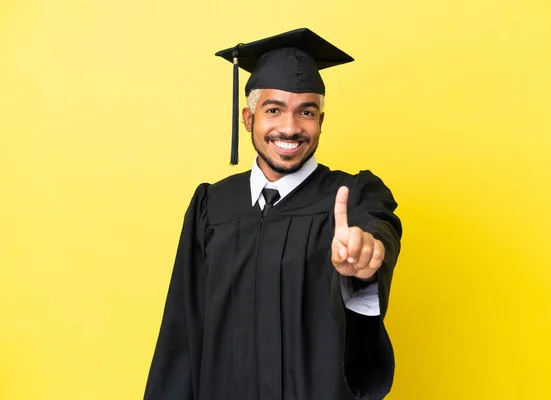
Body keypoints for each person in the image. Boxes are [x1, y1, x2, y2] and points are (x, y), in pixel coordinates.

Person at [143, 28, 402, 400]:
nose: (290, 128)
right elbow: (183, 329)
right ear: (248, 119)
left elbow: (378, 228)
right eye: (274, 110)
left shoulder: (353, 196)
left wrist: (364, 259)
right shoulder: (211, 206)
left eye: (306, 112)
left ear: (321, 122)